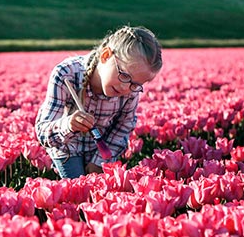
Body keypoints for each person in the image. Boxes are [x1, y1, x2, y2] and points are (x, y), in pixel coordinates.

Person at [35, 25, 163, 179]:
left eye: (135, 84)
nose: (125, 88)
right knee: (78, 189)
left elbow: (123, 127)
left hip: (103, 149)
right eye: (124, 75)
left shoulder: (131, 90)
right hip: (67, 148)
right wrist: (68, 125)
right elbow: (43, 134)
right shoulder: (66, 74)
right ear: (106, 55)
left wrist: (99, 160)